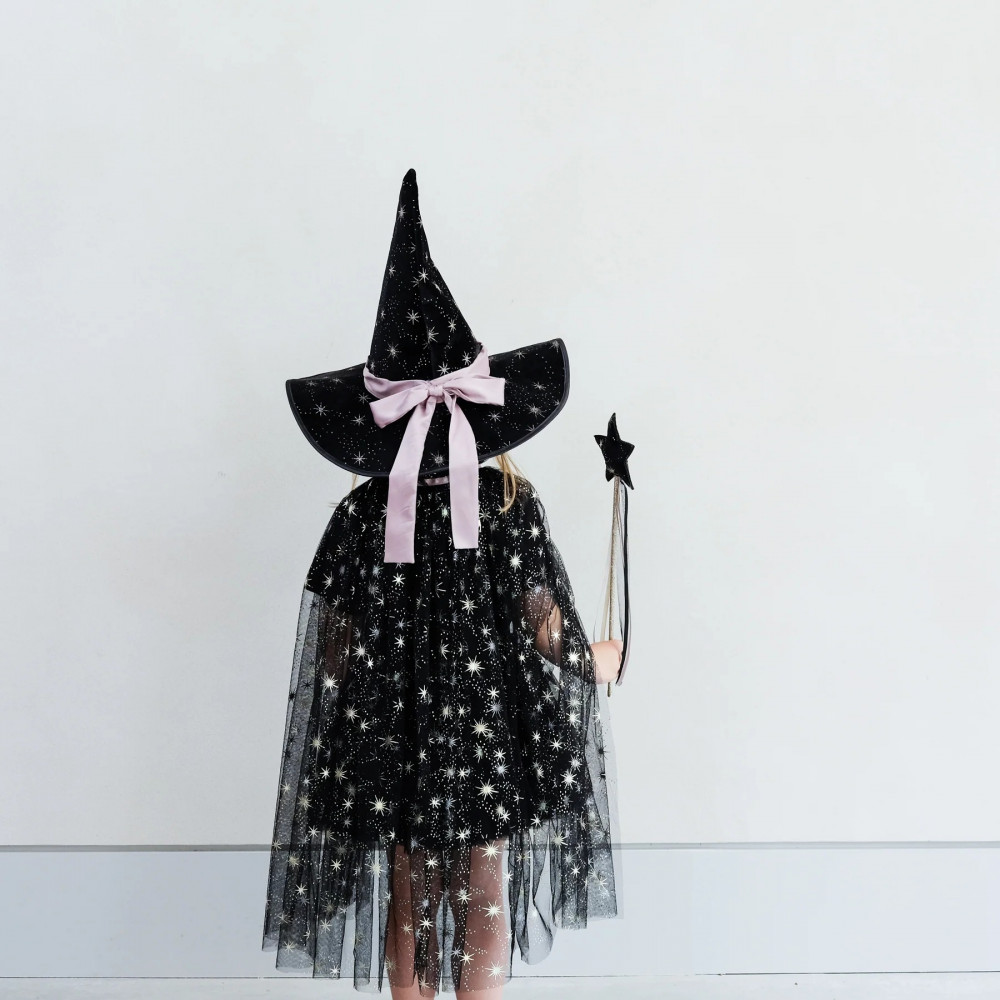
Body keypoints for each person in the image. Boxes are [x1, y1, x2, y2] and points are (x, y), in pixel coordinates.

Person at [262, 169, 621, 996]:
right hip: (487, 737)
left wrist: (376, 696)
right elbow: (543, 626)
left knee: (411, 889)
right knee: (482, 883)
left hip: (395, 740)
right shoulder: (507, 504)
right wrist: (594, 658)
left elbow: (335, 649)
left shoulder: (363, 516)